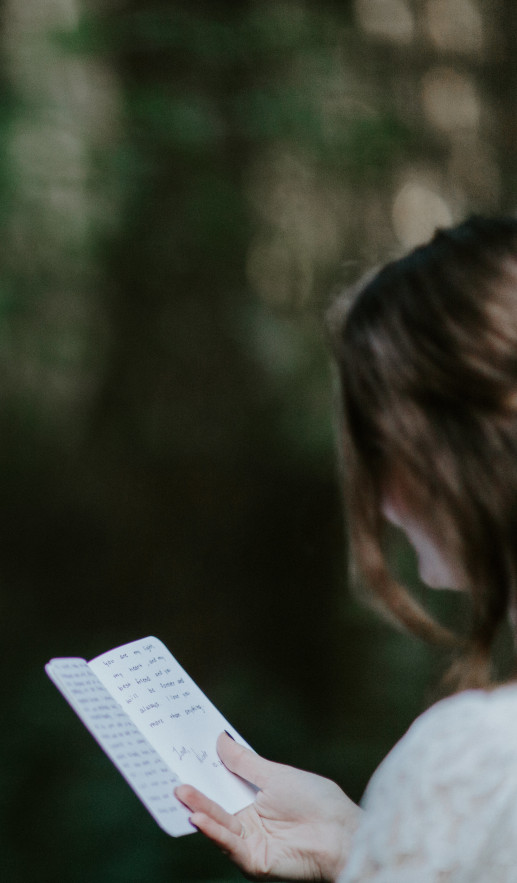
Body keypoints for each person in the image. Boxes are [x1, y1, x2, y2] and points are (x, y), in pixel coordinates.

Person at [176, 215, 517, 881]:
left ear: (456, 447)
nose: (383, 503)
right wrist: (360, 840)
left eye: (384, 451)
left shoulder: (469, 759)